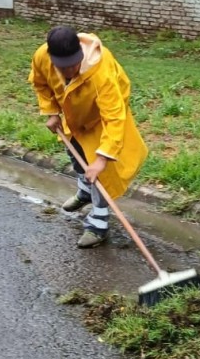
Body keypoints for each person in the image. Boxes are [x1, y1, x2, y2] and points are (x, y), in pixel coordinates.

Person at [29, 26, 148, 248]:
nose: (70, 70)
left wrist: (102, 158)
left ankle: (98, 226)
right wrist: (51, 111)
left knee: (100, 174)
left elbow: (113, 117)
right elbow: (40, 83)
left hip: (102, 119)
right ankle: (84, 191)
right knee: (76, 157)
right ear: (52, 59)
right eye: (63, 67)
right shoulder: (42, 57)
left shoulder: (100, 71)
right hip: (74, 117)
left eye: (74, 64)